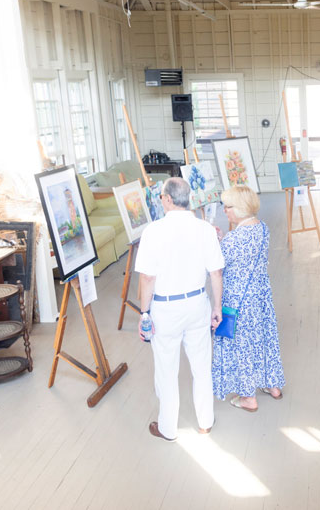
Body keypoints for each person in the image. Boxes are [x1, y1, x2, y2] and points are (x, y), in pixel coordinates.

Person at [135, 177, 224, 441]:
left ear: (169, 199)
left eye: (162, 196)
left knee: (166, 368)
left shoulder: (153, 231)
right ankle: (205, 421)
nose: (161, 200)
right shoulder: (205, 229)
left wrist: (144, 313)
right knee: (201, 366)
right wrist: (217, 306)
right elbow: (216, 272)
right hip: (198, 303)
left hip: (166, 308)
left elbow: (147, 278)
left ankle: (168, 428)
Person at [213, 186, 285, 412]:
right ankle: (273, 385)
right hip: (260, 295)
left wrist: (218, 242)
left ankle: (247, 397)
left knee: (241, 344)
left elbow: (218, 267)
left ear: (241, 208)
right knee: (264, 337)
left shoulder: (234, 240)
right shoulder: (262, 229)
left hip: (237, 300)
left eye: (228, 206)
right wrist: (224, 239)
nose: (225, 211)